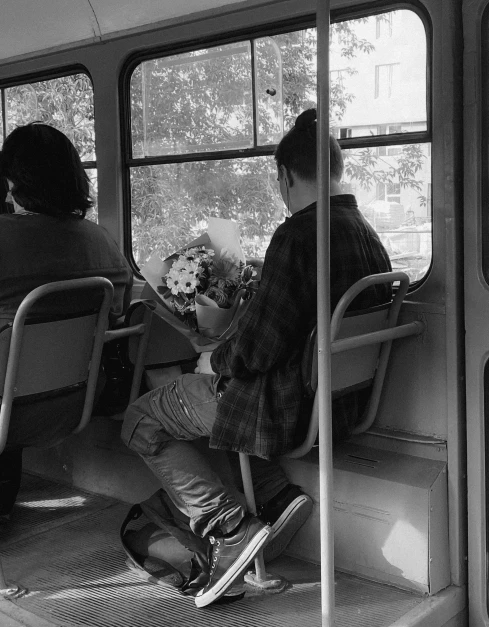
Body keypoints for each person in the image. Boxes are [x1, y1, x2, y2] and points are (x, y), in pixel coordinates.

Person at [122, 108, 392, 607]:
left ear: (285, 175)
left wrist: (214, 360)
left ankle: (228, 528)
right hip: (341, 401)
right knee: (202, 393)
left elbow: (259, 347)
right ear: (335, 168)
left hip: (285, 407)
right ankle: (274, 494)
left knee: (142, 418)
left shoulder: (298, 236)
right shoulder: (365, 232)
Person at [0, 122, 133, 518]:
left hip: (7, 405)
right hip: (71, 403)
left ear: (12, 181)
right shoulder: (102, 242)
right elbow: (118, 315)